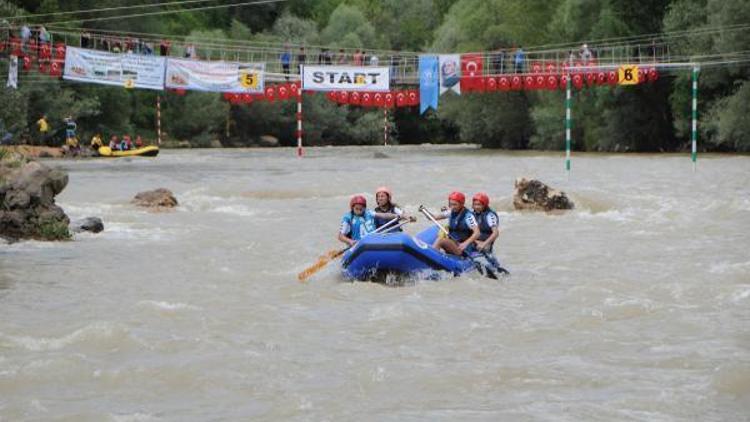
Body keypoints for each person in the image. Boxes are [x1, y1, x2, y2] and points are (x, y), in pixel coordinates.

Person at [432, 191, 480, 256]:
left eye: (455, 204)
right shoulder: (451, 212)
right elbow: (435, 217)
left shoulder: (468, 216)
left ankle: (433, 257)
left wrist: (465, 243)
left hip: (462, 248)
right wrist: (425, 212)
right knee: (438, 237)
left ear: (461, 204)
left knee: (441, 240)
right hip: (454, 242)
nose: (452, 207)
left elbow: (477, 233)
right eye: (451, 204)